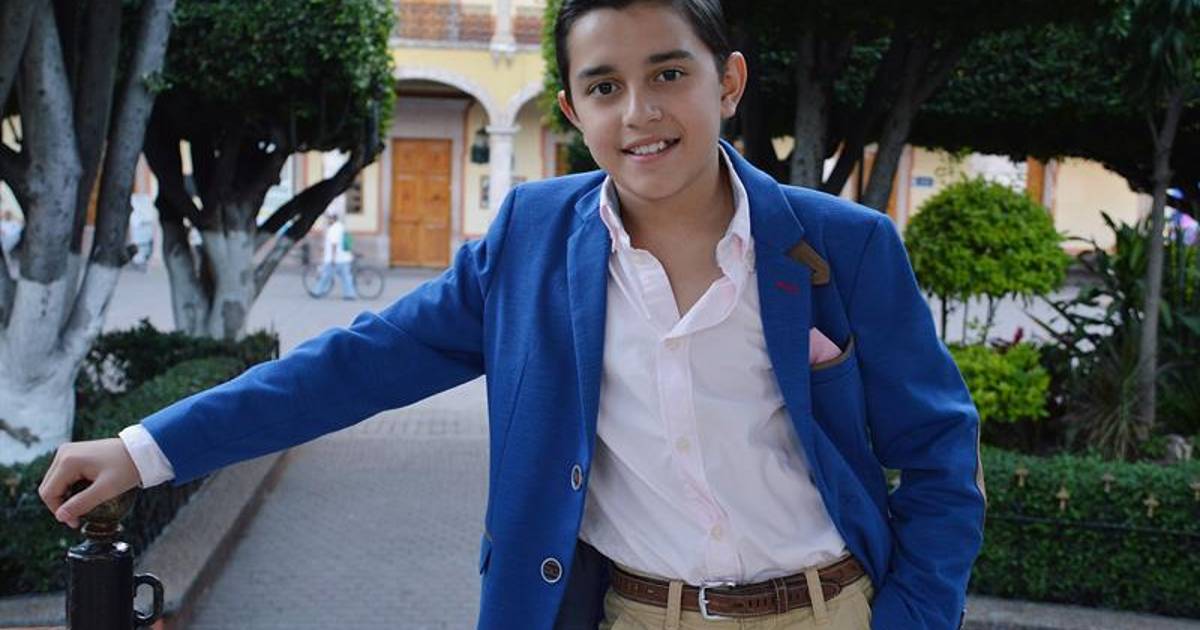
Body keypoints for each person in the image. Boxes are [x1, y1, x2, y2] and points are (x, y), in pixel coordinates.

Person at [38, 1, 985, 628]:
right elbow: (356, 365)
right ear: (571, 107)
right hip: (629, 614)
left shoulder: (846, 246)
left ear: (727, 82)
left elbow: (942, 454)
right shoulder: (533, 240)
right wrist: (146, 450)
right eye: (605, 86)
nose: (639, 112)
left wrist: (913, 621)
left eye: (669, 75)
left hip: (827, 610)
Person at [313, 211, 358, 300]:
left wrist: (333, 258)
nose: (328, 220)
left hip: (335, 259)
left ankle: (317, 292)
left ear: (332, 219)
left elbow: (334, 243)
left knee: (326, 276)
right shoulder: (341, 227)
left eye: (329, 219)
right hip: (344, 258)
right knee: (346, 277)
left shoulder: (333, 229)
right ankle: (350, 294)